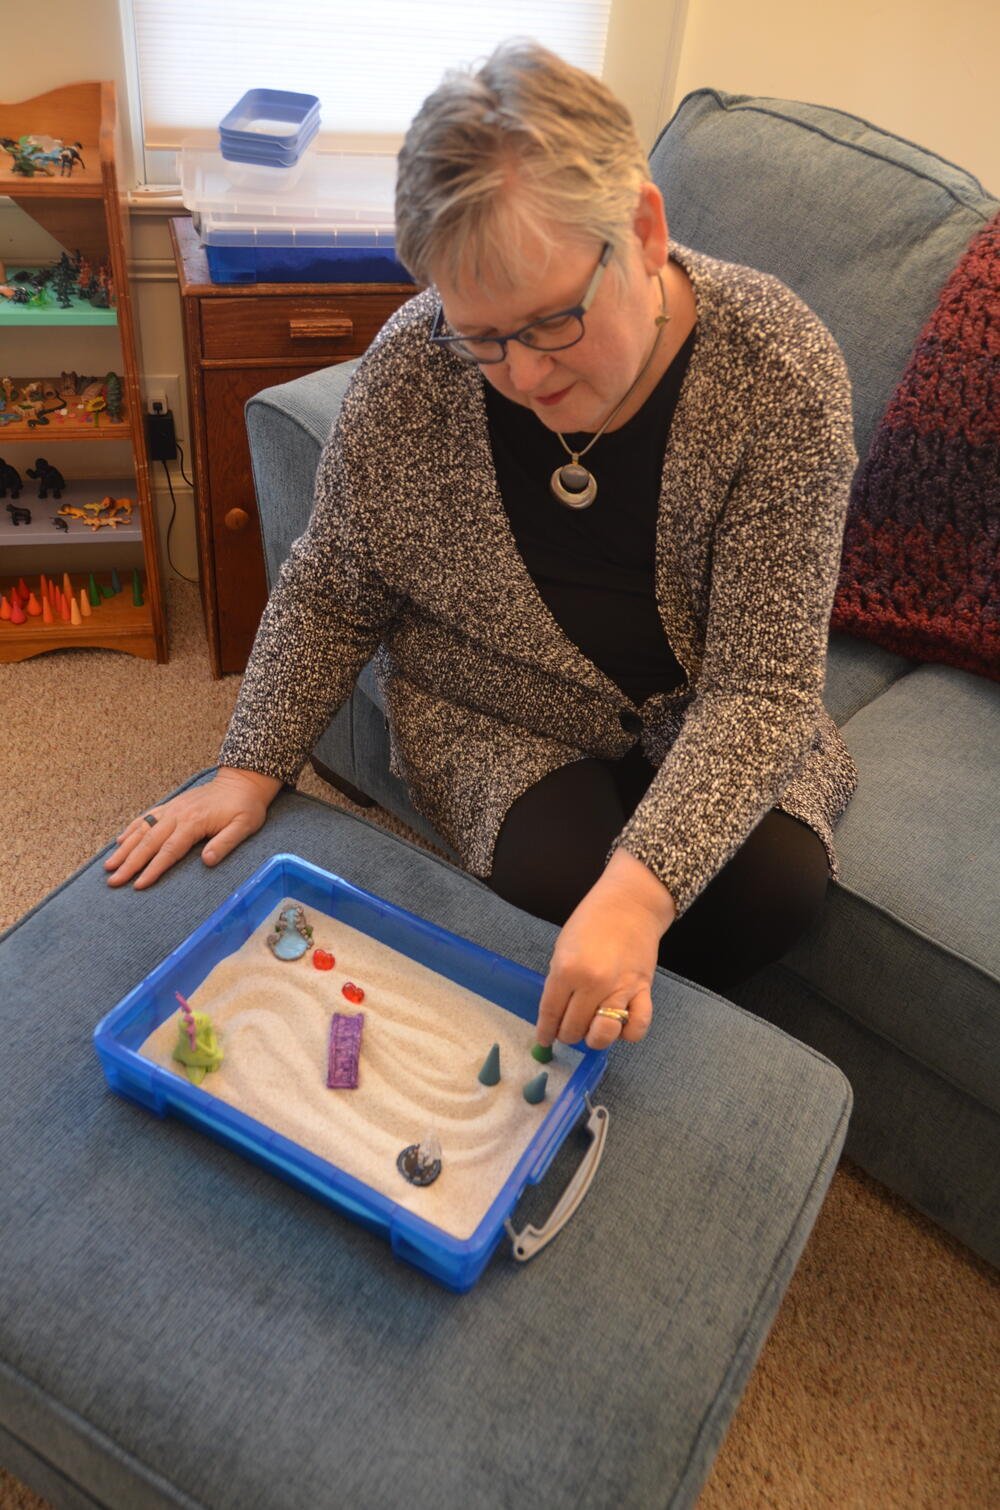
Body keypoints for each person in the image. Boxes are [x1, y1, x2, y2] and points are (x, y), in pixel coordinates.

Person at [105, 40, 858, 1054]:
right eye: (482, 337)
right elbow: (333, 586)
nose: (525, 376)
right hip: (495, 704)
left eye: (551, 322)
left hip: (702, 699)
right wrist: (248, 766)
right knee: (556, 884)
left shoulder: (779, 372)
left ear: (642, 229)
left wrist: (640, 894)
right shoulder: (414, 368)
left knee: (773, 885)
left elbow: (762, 687)